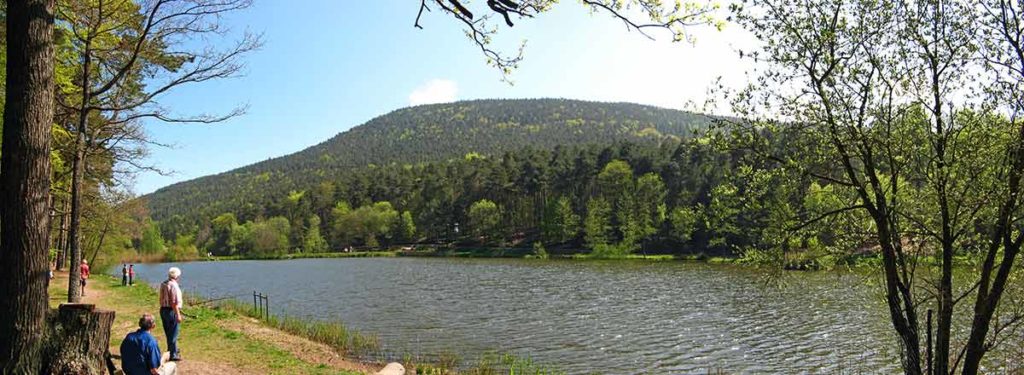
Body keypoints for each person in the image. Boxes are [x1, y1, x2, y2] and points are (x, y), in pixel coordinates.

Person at [159, 267, 184, 361]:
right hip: (171, 311)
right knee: (173, 333)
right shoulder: (173, 285)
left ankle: (171, 351)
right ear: (177, 276)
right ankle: (173, 354)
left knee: (168, 333)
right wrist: (178, 314)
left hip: (163, 310)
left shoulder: (163, 283)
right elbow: (174, 302)